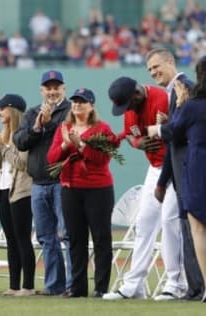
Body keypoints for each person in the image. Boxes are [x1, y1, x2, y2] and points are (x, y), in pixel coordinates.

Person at [103, 76, 187, 300]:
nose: (126, 110)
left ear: (137, 93)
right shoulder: (131, 108)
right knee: (144, 224)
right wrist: (136, 142)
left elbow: (175, 135)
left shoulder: (161, 98)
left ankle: (175, 283)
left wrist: (155, 129)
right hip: (154, 167)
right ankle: (134, 284)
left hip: (175, 167)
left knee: (170, 223)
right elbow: (131, 133)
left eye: (127, 104)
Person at [145, 47, 204, 301]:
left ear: (170, 62)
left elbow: (175, 132)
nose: (153, 72)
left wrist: (155, 128)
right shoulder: (178, 94)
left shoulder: (187, 92)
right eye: (150, 69)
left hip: (193, 170)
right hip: (183, 170)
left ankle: (197, 287)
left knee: (194, 229)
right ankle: (194, 287)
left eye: (157, 66)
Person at [47, 88, 117, 298]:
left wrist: (82, 145)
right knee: (76, 239)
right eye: (75, 101)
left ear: (92, 106)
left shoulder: (102, 128)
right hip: (71, 188)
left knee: (101, 237)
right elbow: (52, 158)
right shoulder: (64, 128)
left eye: (82, 102)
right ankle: (77, 287)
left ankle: (101, 287)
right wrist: (67, 143)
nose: (77, 105)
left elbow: (103, 159)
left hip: (98, 189)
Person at [12, 70, 72, 295]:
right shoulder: (32, 113)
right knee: (46, 237)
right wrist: (37, 126)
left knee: (66, 234)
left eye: (57, 87)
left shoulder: (70, 110)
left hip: (62, 180)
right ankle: (54, 285)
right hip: (38, 183)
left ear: (64, 89)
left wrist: (47, 126)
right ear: (42, 90)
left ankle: (72, 286)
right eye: (48, 87)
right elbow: (19, 141)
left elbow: (69, 136)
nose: (53, 91)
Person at [0, 94, 35, 297]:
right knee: (10, 239)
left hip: (21, 191)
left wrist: (3, 147)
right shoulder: (4, 134)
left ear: (13, 110)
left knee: (23, 238)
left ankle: (28, 286)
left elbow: (21, 163)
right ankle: (14, 285)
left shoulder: (23, 135)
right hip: (4, 188)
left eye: (2, 109)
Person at [169, 56, 206, 303]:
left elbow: (173, 131)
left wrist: (181, 104)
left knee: (199, 228)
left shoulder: (192, 105)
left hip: (199, 167)